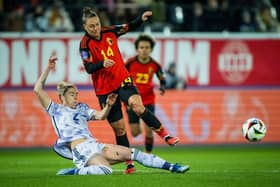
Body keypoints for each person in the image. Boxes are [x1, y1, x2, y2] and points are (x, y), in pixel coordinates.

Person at [33, 56, 189, 175]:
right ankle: (75, 171)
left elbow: (101, 116)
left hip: (94, 144)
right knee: (106, 170)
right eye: (73, 94)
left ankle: (173, 167)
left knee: (133, 153)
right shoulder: (56, 109)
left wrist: (108, 105)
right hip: (81, 149)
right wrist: (48, 68)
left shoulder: (81, 108)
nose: (76, 97)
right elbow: (38, 89)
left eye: (76, 94)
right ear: (62, 97)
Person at [79, 7, 179, 174]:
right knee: (119, 129)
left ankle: (166, 135)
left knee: (137, 106)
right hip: (104, 89)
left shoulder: (110, 31)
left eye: (97, 24)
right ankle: (129, 163)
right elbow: (88, 67)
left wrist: (141, 19)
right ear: (84, 27)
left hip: (122, 80)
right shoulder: (84, 45)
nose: (95, 29)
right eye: (91, 26)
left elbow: (128, 26)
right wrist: (101, 63)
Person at [125, 34, 165, 153]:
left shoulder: (155, 65)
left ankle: (148, 155)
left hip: (148, 100)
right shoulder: (130, 63)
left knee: (149, 130)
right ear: (137, 49)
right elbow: (121, 78)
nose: (144, 50)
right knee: (135, 132)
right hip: (132, 100)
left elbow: (162, 77)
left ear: (151, 49)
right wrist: (125, 98)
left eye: (147, 47)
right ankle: (142, 124)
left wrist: (162, 87)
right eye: (141, 47)